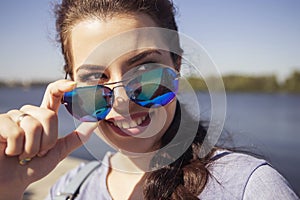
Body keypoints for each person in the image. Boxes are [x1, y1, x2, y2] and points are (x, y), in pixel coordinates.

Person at [0, 0, 299, 199]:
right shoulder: (69, 188)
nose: (121, 101)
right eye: (94, 80)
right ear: (69, 86)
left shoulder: (251, 188)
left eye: (146, 73)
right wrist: (9, 187)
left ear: (177, 68)